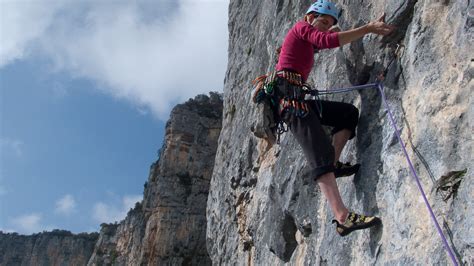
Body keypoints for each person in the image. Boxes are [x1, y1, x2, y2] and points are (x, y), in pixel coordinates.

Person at [273, 0, 395, 236]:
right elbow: (325, 40)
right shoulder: (301, 27)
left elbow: (323, 42)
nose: (326, 27)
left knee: (348, 114)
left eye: (329, 24)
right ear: (310, 18)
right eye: (324, 21)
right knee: (318, 155)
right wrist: (367, 28)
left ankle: (335, 162)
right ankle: (342, 217)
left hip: (301, 101)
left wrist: (334, 32)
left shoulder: (307, 40)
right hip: (291, 104)